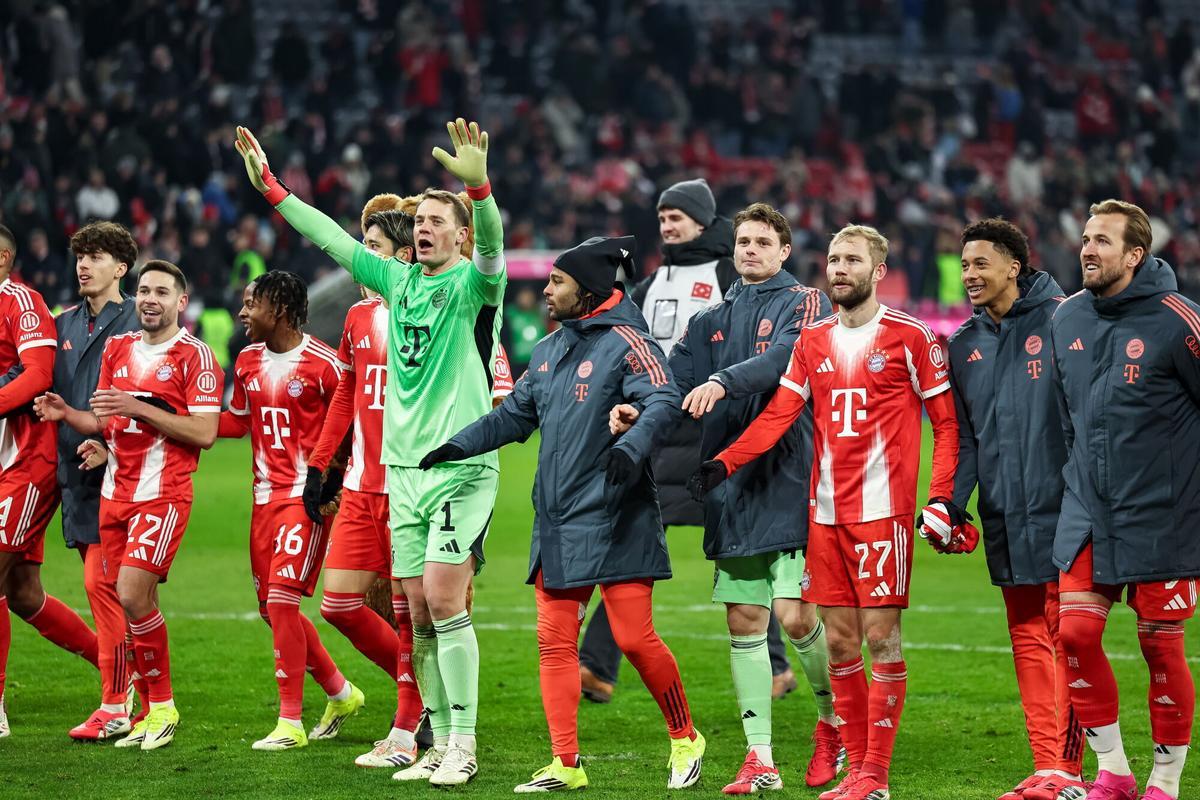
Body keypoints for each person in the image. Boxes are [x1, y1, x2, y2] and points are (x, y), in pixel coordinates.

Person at [235, 119, 503, 785]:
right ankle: (433, 741)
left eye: (440, 222)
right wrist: (272, 190)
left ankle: (464, 745)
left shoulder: (475, 287)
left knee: (444, 601)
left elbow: (495, 245)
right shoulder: (396, 282)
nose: (427, 228)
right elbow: (328, 235)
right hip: (399, 472)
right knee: (416, 613)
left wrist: (479, 190)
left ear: (461, 235)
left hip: (458, 470)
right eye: (423, 221)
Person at [690, 224, 975, 800]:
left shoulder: (913, 337)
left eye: (853, 260)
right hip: (823, 515)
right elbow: (778, 415)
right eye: (834, 259)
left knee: (881, 641)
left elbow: (948, 427)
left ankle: (876, 775)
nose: (840, 269)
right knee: (841, 644)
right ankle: (859, 769)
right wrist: (724, 464)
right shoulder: (813, 339)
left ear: (878, 271)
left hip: (882, 514)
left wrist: (941, 497)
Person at [420, 235, 706, 793]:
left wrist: (630, 448)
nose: (546, 290)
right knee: (554, 644)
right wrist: (456, 445)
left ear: (589, 289)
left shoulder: (629, 341)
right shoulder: (550, 349)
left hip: (617, 512)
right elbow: (514, 416)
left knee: (634, 638)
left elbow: (663, 400)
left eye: (557, 281)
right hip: (556, 518)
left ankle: (685, 737)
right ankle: (565, 762)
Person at [616, 203, 838, 792]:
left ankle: (833, 725)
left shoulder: (806, 303)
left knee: (796, 616)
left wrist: (722, 381)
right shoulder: (710, 318)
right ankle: (759, 758)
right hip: (728, 482)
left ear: (784, 251)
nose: (750, 251)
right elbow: (671, 382)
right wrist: (638, 410)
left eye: (763, 242)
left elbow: (783, 361)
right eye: (743, 242)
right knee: (744, 619)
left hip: (790, 476)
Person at [581, 178, 797, 705]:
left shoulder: (729, 276)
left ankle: (775, 665)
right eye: (662, 217)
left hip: (714, 430)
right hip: (663, 425)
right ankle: (597, 665)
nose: (667, 225)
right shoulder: (654, 279)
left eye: (676, 216)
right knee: (631, 536)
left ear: (702, 220)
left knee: (742, 549)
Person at [34, 259, 220, 750]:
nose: (151, 300)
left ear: (181, 302)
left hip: (163, 493)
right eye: (145, 291)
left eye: (162, 292)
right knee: (130, 601)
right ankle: (144, 708)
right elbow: (104, 419)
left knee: (134, 595)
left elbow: (205, 432)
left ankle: (163, 706)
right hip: (114, 494)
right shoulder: (118, 348)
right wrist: (69, 415)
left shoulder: (195, 356)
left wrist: (138, 406)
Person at [1050, 199, 1200, 800]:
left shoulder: (1178, 320)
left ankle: (1165, 780)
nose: (1087, 249)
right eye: (1086, 238)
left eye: (1103, 241)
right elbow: (1067, 416)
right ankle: (1112, 771)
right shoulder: (1066, 317)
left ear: (1135, 255)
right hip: (1090, 507)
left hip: (1164, 513)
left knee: (1159, 643)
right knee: (1075, 635)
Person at [946, 218, 1085, 800]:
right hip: (1005, 513)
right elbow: (967, 439)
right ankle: (1047, 764)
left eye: (981, 263)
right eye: (965, 265)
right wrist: (951, 504)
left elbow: (1089, 419)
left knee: (1068, 638)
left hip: (1064, 512)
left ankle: (1071, 772)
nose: (969, 275)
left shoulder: (1066, 320)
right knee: (1027, 638)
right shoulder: (963, 344)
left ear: (1013, 265)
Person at [218, 270, 363, 750]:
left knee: (282, 601)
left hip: (306, 498)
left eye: (251, 304)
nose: (242, 313)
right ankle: (340, 693)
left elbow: (350, 429)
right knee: (270, 610)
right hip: (262, 500)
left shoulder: (325, 365)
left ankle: (290, 723)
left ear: (279, 310)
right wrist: (171, 418)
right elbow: (237, 422)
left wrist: (334, 486)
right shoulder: (246, 362)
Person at [0, 224, 101, 739]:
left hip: (27, 461)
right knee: (22, 592)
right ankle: (116, 668)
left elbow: (38, 375)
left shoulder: (20, 301)